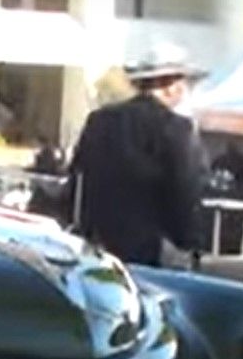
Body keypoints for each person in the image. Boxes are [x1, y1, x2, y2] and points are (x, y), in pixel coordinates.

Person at [65, 42, 209, 267]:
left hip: (98, 243)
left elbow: (77, 178)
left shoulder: (99, 121)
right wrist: (191, 245)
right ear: (170, 85)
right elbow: (186, 191)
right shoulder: (178, 129)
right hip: (153, 249)